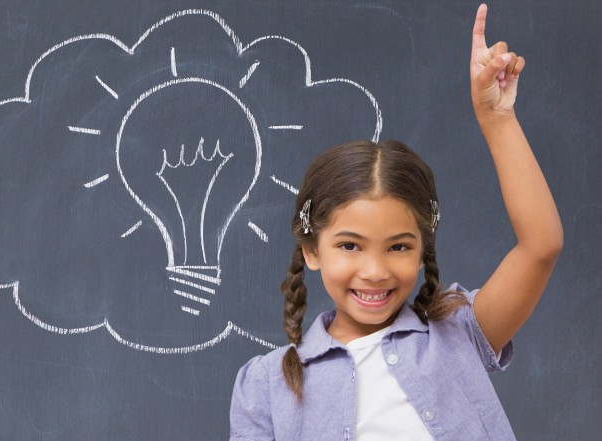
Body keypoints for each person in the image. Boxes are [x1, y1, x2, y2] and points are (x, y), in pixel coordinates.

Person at [229, 4, 563, 440]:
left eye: (399, 246)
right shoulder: (265, 385)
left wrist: (497, 119)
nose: (375, 270)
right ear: (311, 250)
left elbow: (541, 246)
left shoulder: (458, 332)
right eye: (350, 245)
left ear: (423, 248)